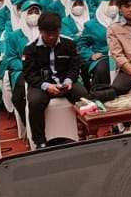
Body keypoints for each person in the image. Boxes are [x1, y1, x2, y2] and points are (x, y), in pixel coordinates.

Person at [18, 11, 84, 149]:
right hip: (41, 85)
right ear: (40, 31)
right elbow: (29, 75)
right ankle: (39, 141)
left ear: (59, 29)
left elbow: (75, 67)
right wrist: (46, 86)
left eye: (55, 32)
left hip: (65, 82)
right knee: (35, 103)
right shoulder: (30, 48)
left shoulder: (69, 44)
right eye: (48, 34)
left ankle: (86, 132)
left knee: (84, 98)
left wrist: (68, 81)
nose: (52, 37)